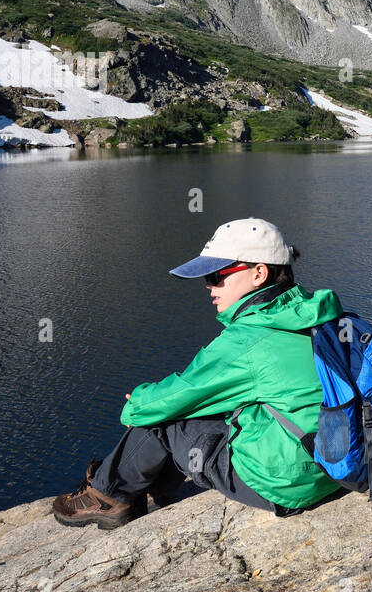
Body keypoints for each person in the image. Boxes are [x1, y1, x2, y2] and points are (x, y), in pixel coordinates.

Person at [53, 217, 345, 529]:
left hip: (288, 481)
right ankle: (153, 489)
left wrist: (137, 403)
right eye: (207, 277)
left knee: (161, 422)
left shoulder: (247, 340)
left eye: (218, 275)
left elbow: (174, 398)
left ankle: (109, 497)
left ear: (259, 273)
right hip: (336, 465)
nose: (208, 285)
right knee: (213, 408)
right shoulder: (316, 315)